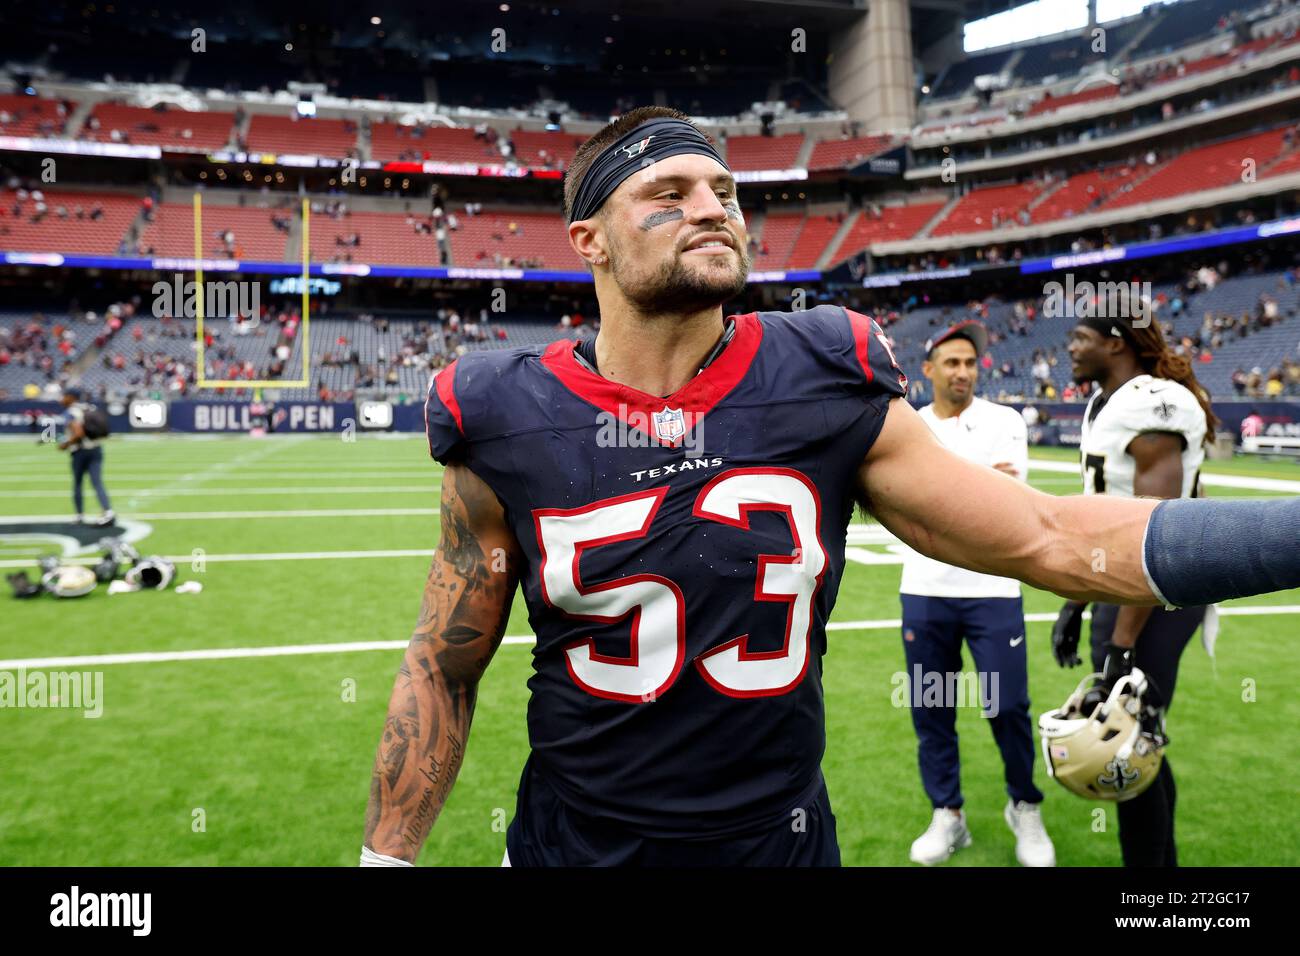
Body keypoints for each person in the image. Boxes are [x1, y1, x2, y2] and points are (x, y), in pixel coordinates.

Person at [360, 106, 1300, 868]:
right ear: (590, 241)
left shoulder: (820, 369)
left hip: (781, 841)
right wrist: (386, 861)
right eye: (669, 192)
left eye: (724, 190)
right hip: (575, 844)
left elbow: (1048, 536)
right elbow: (446, 661)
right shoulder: (501, 410)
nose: (713, 207)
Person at [1053, 306, 1217, 867]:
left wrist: (1121, 647)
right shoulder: (1109, 403)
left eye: (1080, 338)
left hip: (1158, 595)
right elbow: (1107, 519)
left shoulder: (1152, 402)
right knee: (1137, 736)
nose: (1069, 348)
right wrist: (1076, 600)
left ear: (1116, 343)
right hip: (1126, 588)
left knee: (1124, 742)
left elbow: (1156, 538)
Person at [898, 321, 1054, 867]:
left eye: (970, 363)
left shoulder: (1005, 420)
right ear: (929, 369)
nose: (963, 372)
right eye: (952, 362)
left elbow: (1006, 503)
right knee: (932, 708)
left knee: (1006, 705)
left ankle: (1023, 805)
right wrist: (975, 483)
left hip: (993, 587)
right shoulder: (906, 425)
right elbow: (924, 502)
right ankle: (949, 813)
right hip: (924, 589)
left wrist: (934, 492)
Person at [57, 387, 115, 526]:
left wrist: (65, 444)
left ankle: (79, 515)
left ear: (71, 397)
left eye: (64, 395)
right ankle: (108, 511)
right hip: (96, 448)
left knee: (77, 483)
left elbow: (78, 433)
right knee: (97, 482)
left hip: (80, 451)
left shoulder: (71, 412)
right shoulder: (89, 407)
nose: (62, 398)